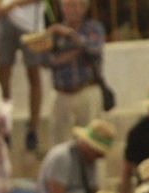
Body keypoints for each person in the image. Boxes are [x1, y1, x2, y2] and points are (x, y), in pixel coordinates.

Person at [44, 0, 106, 149]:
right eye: (68, 5)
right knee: (60, 145)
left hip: (87, 90)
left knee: (91, 143)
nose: (71, 10)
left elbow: (94, 49)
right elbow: (45, 60)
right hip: (62, 93)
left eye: (75, 5)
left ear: (84, 8)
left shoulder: (93, 28)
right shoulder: (55, 32)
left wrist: (71, 35)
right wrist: (73, 53)